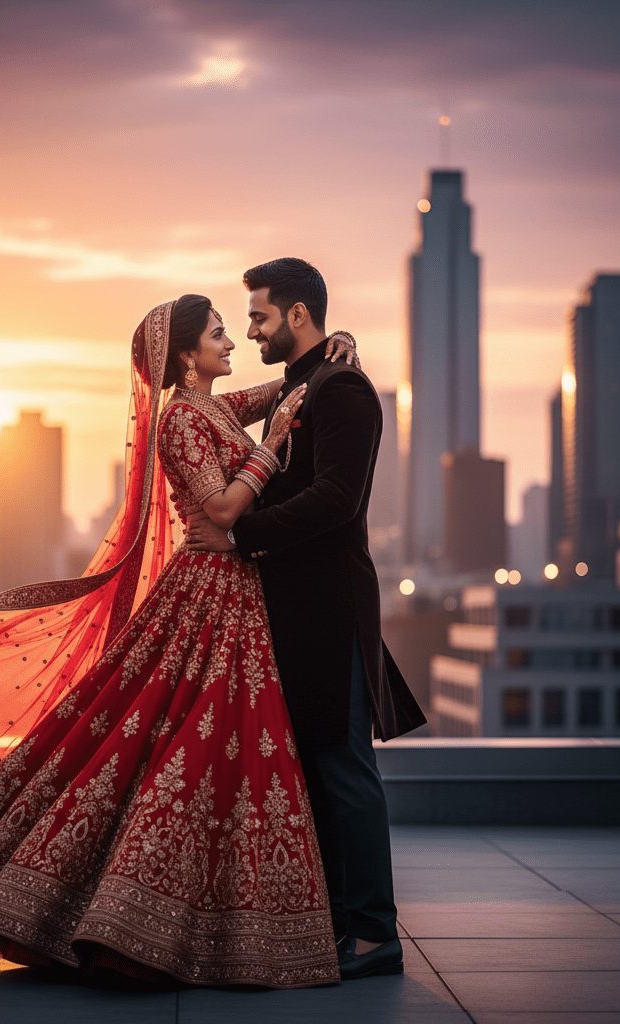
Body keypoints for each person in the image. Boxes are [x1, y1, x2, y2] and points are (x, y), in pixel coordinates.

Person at [0, 295, 363, 988]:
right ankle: (127, 920)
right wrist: (270, 445)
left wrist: (335, 343)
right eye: (218, 334)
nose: (231, 342)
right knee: (177, 748)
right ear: (184, 354)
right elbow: (223, 510)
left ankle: (200, 921)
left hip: (238, 595)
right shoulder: (180, 420)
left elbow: (288, 390)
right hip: (207, 591)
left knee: (217, 752)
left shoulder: (216, 408)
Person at [186, 258, 427, 980]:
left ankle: (375, 934)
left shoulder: (341, 387)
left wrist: (239, 536)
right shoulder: (301, 384)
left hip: (327, 611)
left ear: (296, 315)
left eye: (257, 316)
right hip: (287, 611)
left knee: (346, 769)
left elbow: (336, 501)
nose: (249, 330)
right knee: (314, 771)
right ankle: (335, 924)